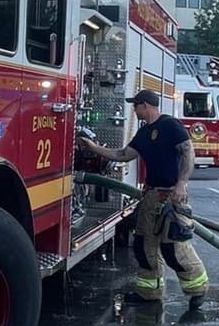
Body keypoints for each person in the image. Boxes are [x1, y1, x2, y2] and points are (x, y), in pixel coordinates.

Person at [77, 89, 209, 310]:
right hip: (151, 197)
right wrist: (92, 147)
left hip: (172, 197)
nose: (134, 110)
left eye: (136, 106)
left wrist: (181, 183)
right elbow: (123, 155)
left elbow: (188, 152)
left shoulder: (170, 125)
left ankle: (197, 290)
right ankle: (150, 292)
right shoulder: (144, 133)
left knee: (173, 249)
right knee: (143, 245)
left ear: (145, 105)